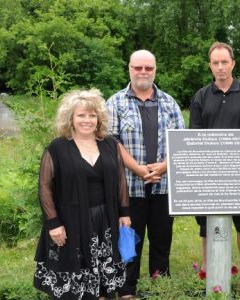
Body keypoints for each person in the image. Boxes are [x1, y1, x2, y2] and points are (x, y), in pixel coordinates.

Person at [33, 89, 131, 299]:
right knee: (75, 283)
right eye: (81, 115)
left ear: (99, 118)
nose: (87, 120)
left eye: (92, 115)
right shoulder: (58, 147)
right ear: (70, 118)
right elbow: (44, 186)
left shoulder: (110, 144)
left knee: (104, 282)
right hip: (71, 221)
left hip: (106, 219)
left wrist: (124, 213)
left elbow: (121, 179)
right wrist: (53, 223)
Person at [106, 49, 185, 299]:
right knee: (129, 241)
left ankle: (159, 288)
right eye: (138, 67)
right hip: (130, 186)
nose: (143, 72)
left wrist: (163, 166)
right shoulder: (115, 102)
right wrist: (138, 169)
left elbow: (181, 142)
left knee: (162, 241)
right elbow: (111, 141)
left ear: (155, 70)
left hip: (163, 185)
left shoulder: (169, 102)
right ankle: (127, 289)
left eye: (148, 68)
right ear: (129, 68)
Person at [190, 41, 240, 273]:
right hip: (208, 175)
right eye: (215, 63)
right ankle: (208, 268)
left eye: (224, 62)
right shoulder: (200, 97)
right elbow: (195, 137)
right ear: (210, 66)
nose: (220, 67)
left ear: (233, 64)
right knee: (207, 224)